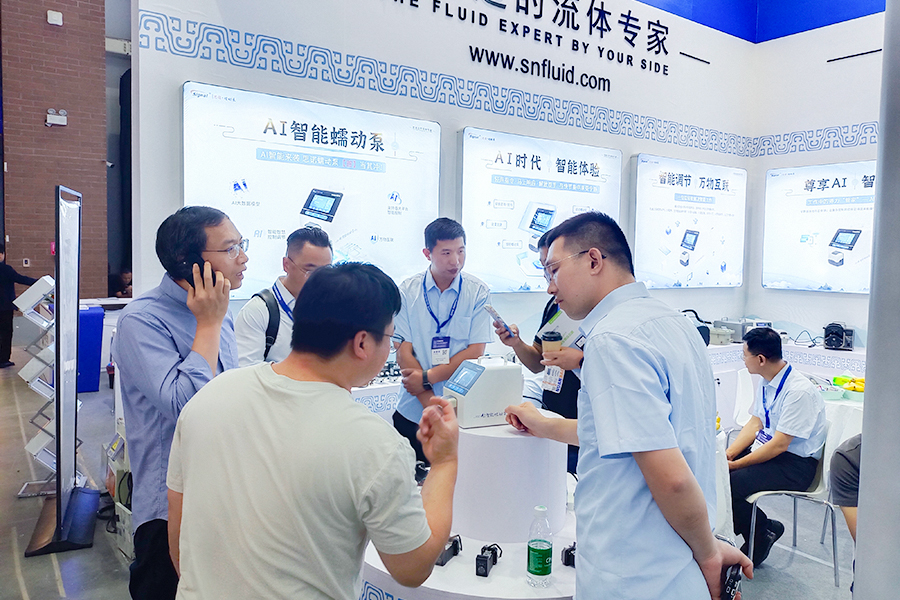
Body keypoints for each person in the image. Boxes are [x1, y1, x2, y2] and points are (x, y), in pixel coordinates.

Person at [166, 263, 459, 600]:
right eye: (391, 338)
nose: (391, 349)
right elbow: (413, 567)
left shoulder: (210, 397)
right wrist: (445, 463)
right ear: (362, 343)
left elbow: (179, 534)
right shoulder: (374, 443)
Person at [504, 212, 751, 599]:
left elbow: (671, 477)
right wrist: (543, 424)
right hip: (676, 556)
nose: (550, 287)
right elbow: (625, 433)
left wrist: (709, 554)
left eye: (553, 270)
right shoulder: (675, 323)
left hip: (635, 568)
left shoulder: (613, 339)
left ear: (594, 260)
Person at [112, 206, 247, 600]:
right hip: (168, 509)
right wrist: (208, 324)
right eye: (230, 248)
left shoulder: (221, 312)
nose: (243, 257)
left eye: (242, 244)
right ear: (191, 264)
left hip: (224, 494)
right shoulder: (142, 321)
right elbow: (187, 407)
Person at [726, 326, 827, 567]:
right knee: (718, 475)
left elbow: (780, 445)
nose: (743, 361)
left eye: (745, 356)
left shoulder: (799, 391)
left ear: (760, 359)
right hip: (771, 451)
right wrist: (729, 455)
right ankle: (764, 527)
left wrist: (735, 465)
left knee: (730, 483)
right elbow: (756, 422)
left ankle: (761, 533)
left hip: (796, 466)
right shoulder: (767, 380)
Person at [393, 217, 491, 463]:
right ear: (427, 254)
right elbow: (403, 351)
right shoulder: (407, 291)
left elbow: (475, 351)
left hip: (462, 412)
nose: (455, 261)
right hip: (413, 413)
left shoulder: (477, 292)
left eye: (461, 251)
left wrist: (427, 378)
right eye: (446, 253)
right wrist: (431, 404)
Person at [492, 232, 582, 473]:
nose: (549, 280)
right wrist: (516, 344)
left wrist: (580, 361)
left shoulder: (597, 312)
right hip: (552, 416)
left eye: (554, 269)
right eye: (545, 269)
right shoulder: (555, 304)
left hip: (582, 426)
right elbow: (537, 363)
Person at [234, 226, 332, 366]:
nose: (320, 279)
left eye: (327, 271)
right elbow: (245, 371)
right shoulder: (258, 311)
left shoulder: (332, 307)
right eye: (310, 271)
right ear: (286, 265)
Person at [0, 242, 39, 368]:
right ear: (1, 255)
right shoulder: (5, 269)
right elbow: (21, 279)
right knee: (5, 333)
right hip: (4, 308)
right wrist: (39, 282)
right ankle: (3, 359)